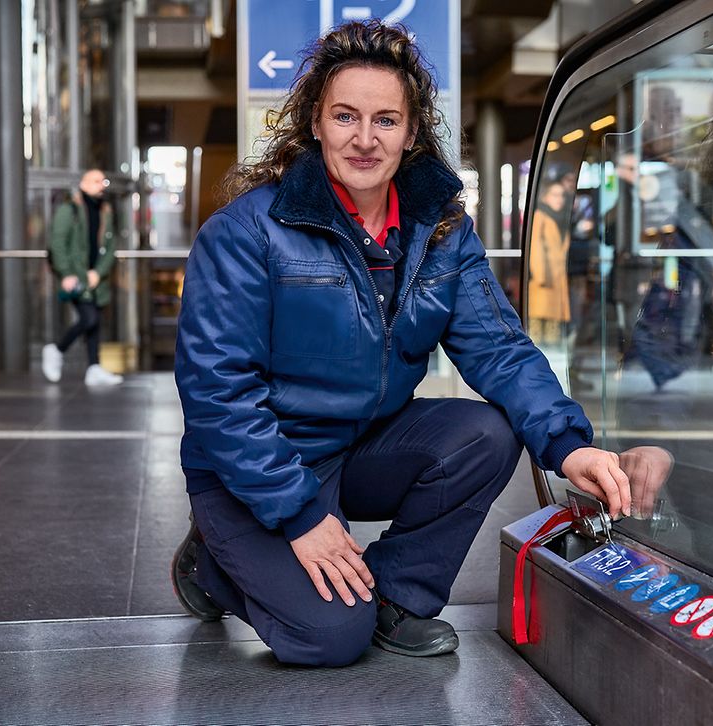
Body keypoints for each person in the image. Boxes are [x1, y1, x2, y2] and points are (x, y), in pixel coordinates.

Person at [171, 20, 635, 668]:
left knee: (486, 434)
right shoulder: (248, 232)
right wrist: (299, 515)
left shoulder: (439, 231)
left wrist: (568, 445)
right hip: (256, 463)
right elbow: (218, 394)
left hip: (358, 444)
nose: (365, 139)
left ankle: (395, 595)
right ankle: (215, 563)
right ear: (315, 123)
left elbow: (497, 347)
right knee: (330, 637)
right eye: (345, 117)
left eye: (386, 120)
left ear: (411, 133)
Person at [41, 169, 124, 386]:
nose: (102, 185)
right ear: (83, 184)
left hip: (97, 279)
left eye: (103, 180)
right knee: (89, 319)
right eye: (96, 181)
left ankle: (93, 367)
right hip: (76, 277)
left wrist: (98, 272)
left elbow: (111, 245)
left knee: (95, 323)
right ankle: (57, 349)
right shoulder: (69, 210)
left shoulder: (105, 210)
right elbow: (57, 244)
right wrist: (66, 273)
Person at [527, 177, 572, 346]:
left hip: (556, 282)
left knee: (553, 332)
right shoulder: (541, 216)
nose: (559, 199)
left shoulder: (559, 219)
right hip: (544, 282)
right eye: (554, 195)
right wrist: (541, 277)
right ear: (545, 196)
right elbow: (535, 248)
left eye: (561, 195)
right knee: (538, 333)